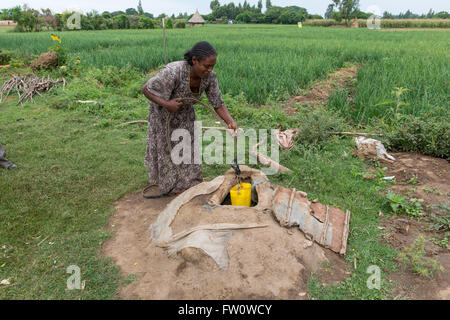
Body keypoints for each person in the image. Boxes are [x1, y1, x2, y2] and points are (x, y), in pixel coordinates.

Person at [141, 41, 238, 198]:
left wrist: (230, 121)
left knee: (189, 146)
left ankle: (190, 182)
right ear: (194, 61)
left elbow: (217, 102)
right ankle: (172, 185)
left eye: (212, 66)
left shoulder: (210, 77)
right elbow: (146, 89)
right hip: (164, 114)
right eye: (206, 66)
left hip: (185, 113)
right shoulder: (173, 72)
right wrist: (167, 104)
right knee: (169, 149)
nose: (209, 70)